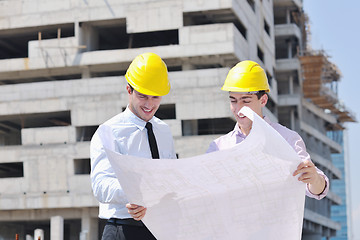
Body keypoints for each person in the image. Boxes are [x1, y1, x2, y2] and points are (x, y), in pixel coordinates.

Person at [207, 60, 328, 199]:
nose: (238, 108)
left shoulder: (287, 139)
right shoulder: (218, 147)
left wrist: (315, 179)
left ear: (263, 100)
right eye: (233, 100)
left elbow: (316, 188)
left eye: (246, 101)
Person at [90, 52, 177, 240]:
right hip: (124, 230)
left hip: (161, 229)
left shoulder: (164, 131)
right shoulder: (109, 131)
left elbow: (170, 174)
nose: (149, 104)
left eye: (156, 97)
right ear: (129, 90)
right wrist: (134, 194)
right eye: (143, 96)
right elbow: (101, 185)